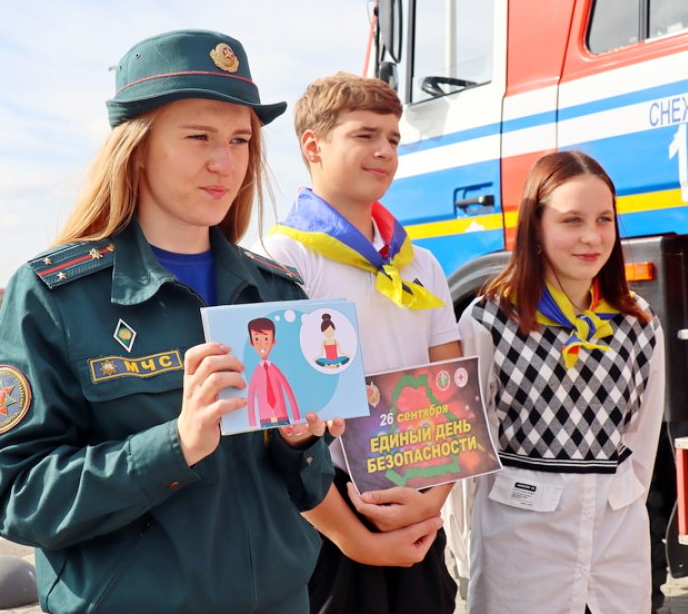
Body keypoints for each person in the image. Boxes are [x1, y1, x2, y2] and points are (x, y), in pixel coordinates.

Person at [0, 30, 342, 614]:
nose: (225, 162)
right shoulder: (56, 296)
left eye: (240, 140)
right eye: (199, 137)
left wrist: (300, 444)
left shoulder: (277, 294)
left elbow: (306, 489)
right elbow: (13, 492)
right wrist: (174, 446)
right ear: (137, 147)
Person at [258, 72, 462, 614]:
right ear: (313, 146)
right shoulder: (282, 258)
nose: (385, 151)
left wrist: (430, 505)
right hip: (327, 520)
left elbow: (452, 397)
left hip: (418, 504)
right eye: (365, 135)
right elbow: (277, 428)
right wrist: (354, 538)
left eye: (393, 138)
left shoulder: (421, 262)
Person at [457, 150, 665, 614]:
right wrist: (466, 549)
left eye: (604, 219)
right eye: (572, 220)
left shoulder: (639, 322)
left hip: (615, 548)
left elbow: (642, 441)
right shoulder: (489, 320)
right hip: (521, 551)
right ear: (535, 226)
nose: (592, 236)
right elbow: (469, 451)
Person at [246, 317, 301, 428]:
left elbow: (288, 391)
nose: (262, 344)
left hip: (282, 417)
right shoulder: (256, 372)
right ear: (251, 342)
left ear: (273, 341)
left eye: (266, 339)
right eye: (257, 339)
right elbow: (250, 397)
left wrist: (297, 418)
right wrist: (252, 423)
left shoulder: (275, 369)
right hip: (264, 419)